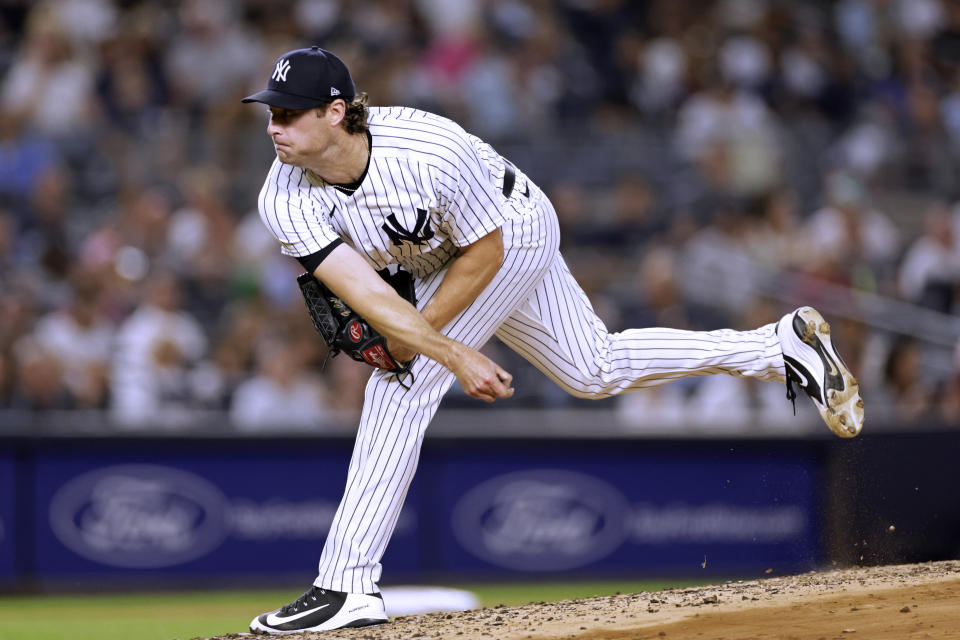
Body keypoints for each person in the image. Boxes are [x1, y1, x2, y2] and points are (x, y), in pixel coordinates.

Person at [241, 47, 864, 635]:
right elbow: (367, 295)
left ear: (337, 112)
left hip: (510, 230)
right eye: (272, 112)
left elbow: (487, 251)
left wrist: (445, 352)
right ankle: (778, 347)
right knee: (593, 369)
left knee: (399, 388)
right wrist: (423, 340)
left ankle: (346, 585)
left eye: (290, 113)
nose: (275, 126)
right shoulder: (283, 193)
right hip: (437, 261)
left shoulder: (428, 151)